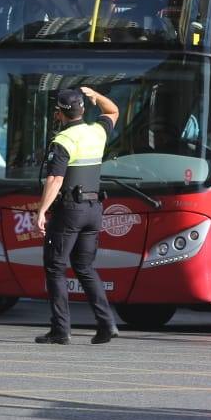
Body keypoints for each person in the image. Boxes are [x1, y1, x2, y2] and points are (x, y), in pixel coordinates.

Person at [35, 87, 121, 345]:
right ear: (82, 109)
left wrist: (41, 210)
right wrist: (96, 94)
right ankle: (107, 324)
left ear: (59, 113)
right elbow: (113, 110)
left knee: (55, 267)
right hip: (94, 209)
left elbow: (55, 179)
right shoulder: (97, 131)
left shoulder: (64, 140)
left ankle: (61, 330)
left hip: (70, 211)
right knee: (84, 267)